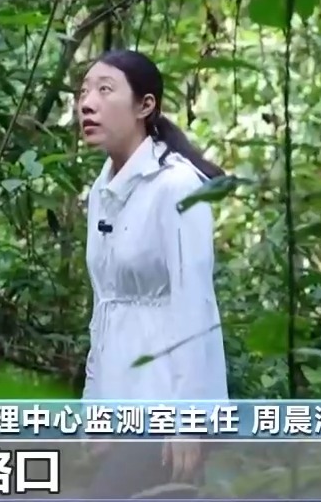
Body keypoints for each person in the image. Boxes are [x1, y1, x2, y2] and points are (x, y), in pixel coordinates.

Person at [75, 49, 228, 498]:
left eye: (105, 90)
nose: (87, 103)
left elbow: (195, 302)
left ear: (145, 105)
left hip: (166, 403)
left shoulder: (177, 185)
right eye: (84, 92)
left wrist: (189, 419)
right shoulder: (102, 189)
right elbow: (105, 307)